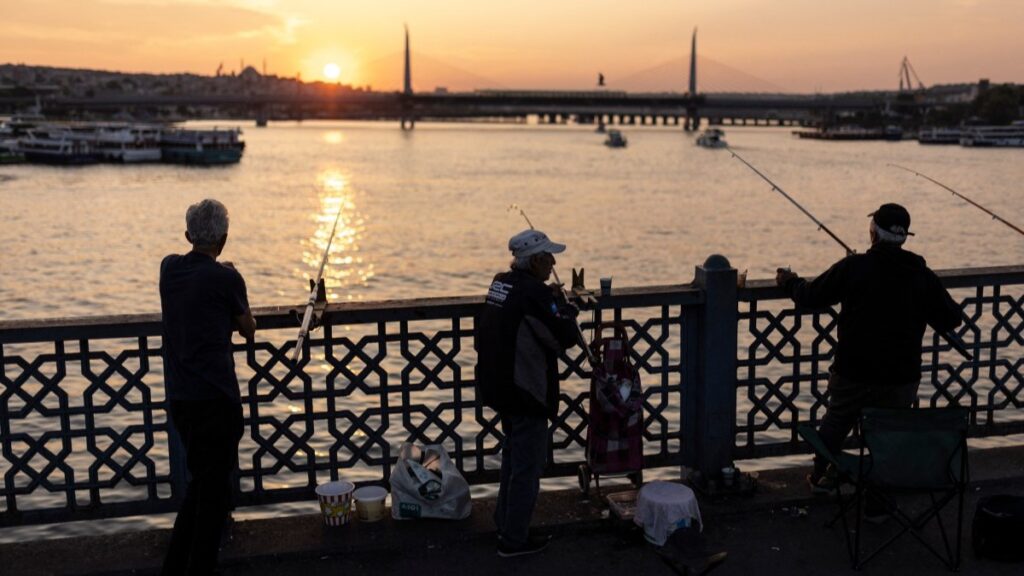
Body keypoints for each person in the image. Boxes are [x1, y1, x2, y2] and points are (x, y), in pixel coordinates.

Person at [776, 203, 962, 499]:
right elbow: (952, 317)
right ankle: (880, 496)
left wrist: (789, 281)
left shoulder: (854, 267)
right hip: (901, 378)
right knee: (887, 434)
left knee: (837, 420)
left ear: (873, 232)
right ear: (903, 238)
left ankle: (822, 475)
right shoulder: (921, 274)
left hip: (854, 371)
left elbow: (810, 296)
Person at [160, 199, 256, 575]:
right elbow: (247, 329)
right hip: (218, 399)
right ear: (224, 239)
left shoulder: (168, 268)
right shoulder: (226, 278)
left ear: (187, 236)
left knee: (202, 484)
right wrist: (229, 275)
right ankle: (195, 566)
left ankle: (176, 565)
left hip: (181, 399)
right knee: (213, 494)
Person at [476, 229, 580, 557]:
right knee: (526, 468)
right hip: (525, 390)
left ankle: (505, 523)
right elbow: (561, 337)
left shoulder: (501, 282)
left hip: (498, 385)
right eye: (548, 256)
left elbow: (519, 315)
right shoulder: (534, 293)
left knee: (512, 457)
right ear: (535, 260)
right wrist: (564, 308)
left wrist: (548, 299)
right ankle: (513, 540)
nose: (553, 262)